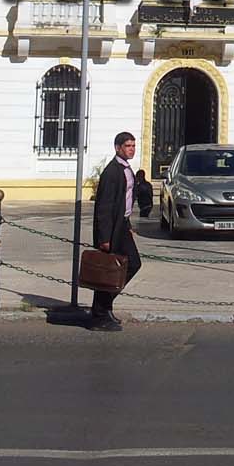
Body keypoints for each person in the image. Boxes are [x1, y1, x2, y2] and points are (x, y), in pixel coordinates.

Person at [90, 131, 142, 331]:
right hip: (111, 230)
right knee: (112, 269)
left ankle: (104, 307)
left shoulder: (126, 169)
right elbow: (104, 207)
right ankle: (100, 313)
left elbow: (125, 201)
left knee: (123, 267)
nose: (132, 149)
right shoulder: (112, 172)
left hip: (122, 226)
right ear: (118, 147)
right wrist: (104, 237)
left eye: (133, 146)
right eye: (128, 146)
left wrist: (128, 226)